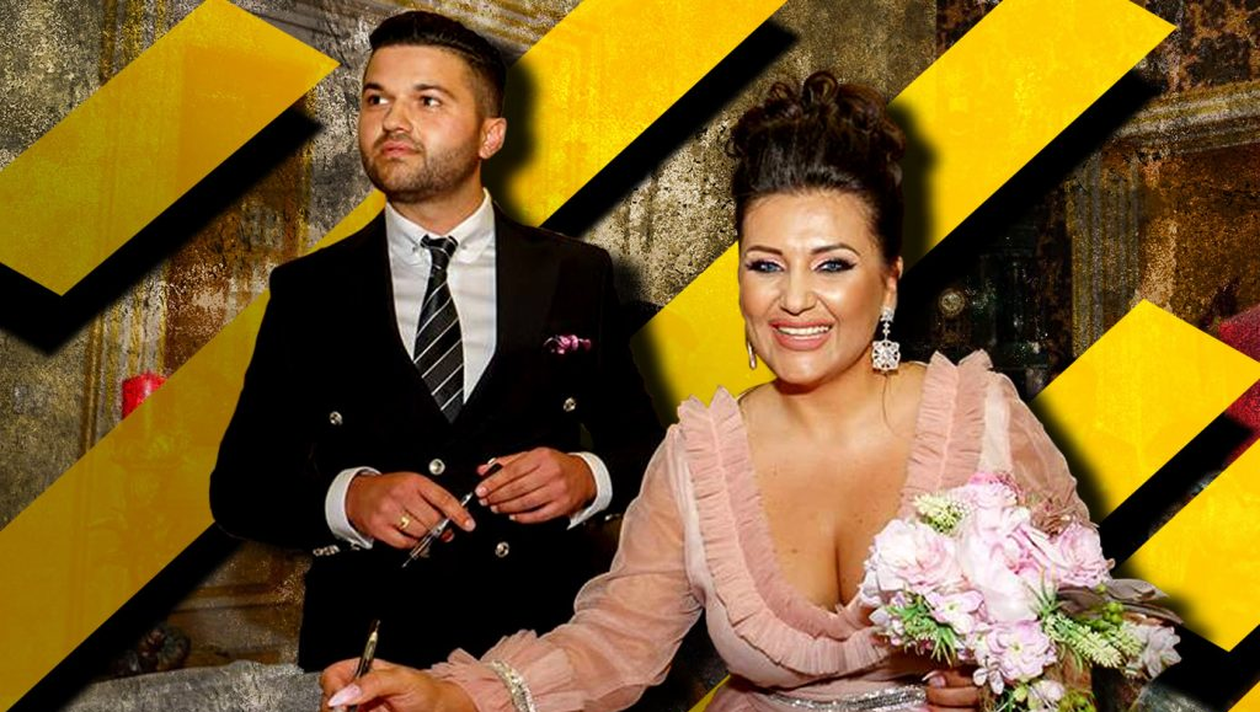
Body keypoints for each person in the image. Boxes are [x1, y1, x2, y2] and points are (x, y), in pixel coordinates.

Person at [318, 73, 1094, 712]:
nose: (794, 299)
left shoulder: (979, 423)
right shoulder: (700, 459)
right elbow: (615, 642)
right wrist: (454, 696)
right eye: (765, 265)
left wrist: (1007, 690)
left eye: (832, 265)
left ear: (889, 283)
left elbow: (1081, 626)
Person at [208, 10, 663, 671]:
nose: (392, 121)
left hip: (541, 656)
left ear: (490, 135)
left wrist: (584, 477)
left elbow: (647, 449)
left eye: (427, 100)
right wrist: (350, 498)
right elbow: (241, 488)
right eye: (376, 99)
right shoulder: (309, 291)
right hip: (369, 658)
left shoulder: (576, 273)